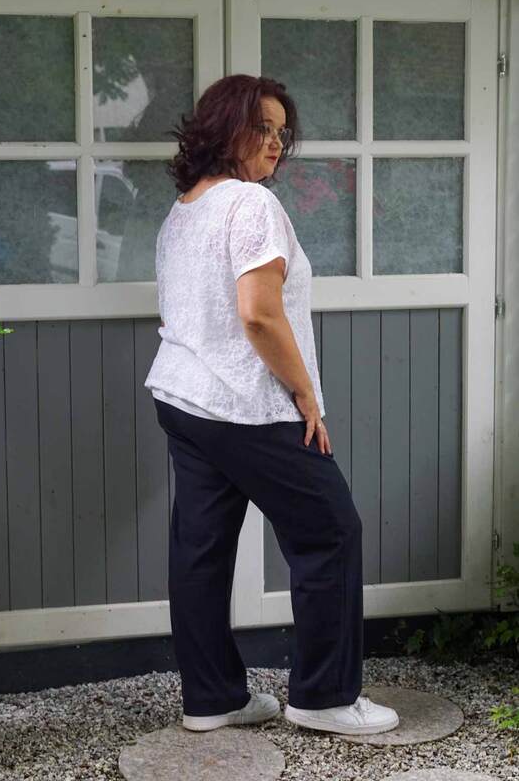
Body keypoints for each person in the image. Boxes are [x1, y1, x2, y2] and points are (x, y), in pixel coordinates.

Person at [144, 74, 400, 736]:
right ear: (224, 127)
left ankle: (212, 699)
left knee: (200, 549)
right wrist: (305, 394)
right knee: (330, 533)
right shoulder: (250, 203)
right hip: (246, 404)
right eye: (262, 127)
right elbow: (258, 315)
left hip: (184, 397)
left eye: (282, 132)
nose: (276, 143)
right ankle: (325, 696)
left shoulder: (186, 207)